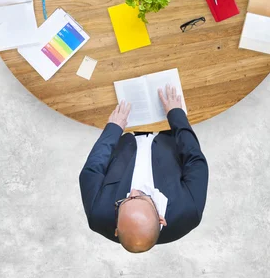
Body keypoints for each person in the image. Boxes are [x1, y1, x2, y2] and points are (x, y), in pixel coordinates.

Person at [79, 85, 208, 251]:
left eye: (123, 202)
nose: (132, 192)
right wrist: (176, 115)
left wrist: (114, 128)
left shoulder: (97, 215)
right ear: (161, 219)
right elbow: (195, 160)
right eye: (140, 197)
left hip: (125, 134)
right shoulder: (190, 211)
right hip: (166, 132)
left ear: (117, 230)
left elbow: (91, 170)